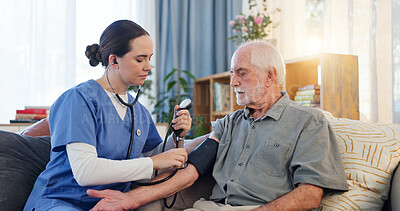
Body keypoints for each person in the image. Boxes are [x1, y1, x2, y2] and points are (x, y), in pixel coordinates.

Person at [87, 40, 349, 211]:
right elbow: (191, 169)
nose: (233, 82)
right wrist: (132, 198)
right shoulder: (231, 123)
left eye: (241, 73)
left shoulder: (308, 122)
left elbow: (309, 195)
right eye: (232, 73)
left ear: (270, 76)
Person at [23, 20, 192, 211]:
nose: (148, 67)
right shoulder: (79, 99)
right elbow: (85, 171)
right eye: (140, 59)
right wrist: (154, 161)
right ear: (114, 61)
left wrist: (178, 135)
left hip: (110, 204)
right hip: (61, 201)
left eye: (149, 59)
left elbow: (155, 158)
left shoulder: (139, 111)